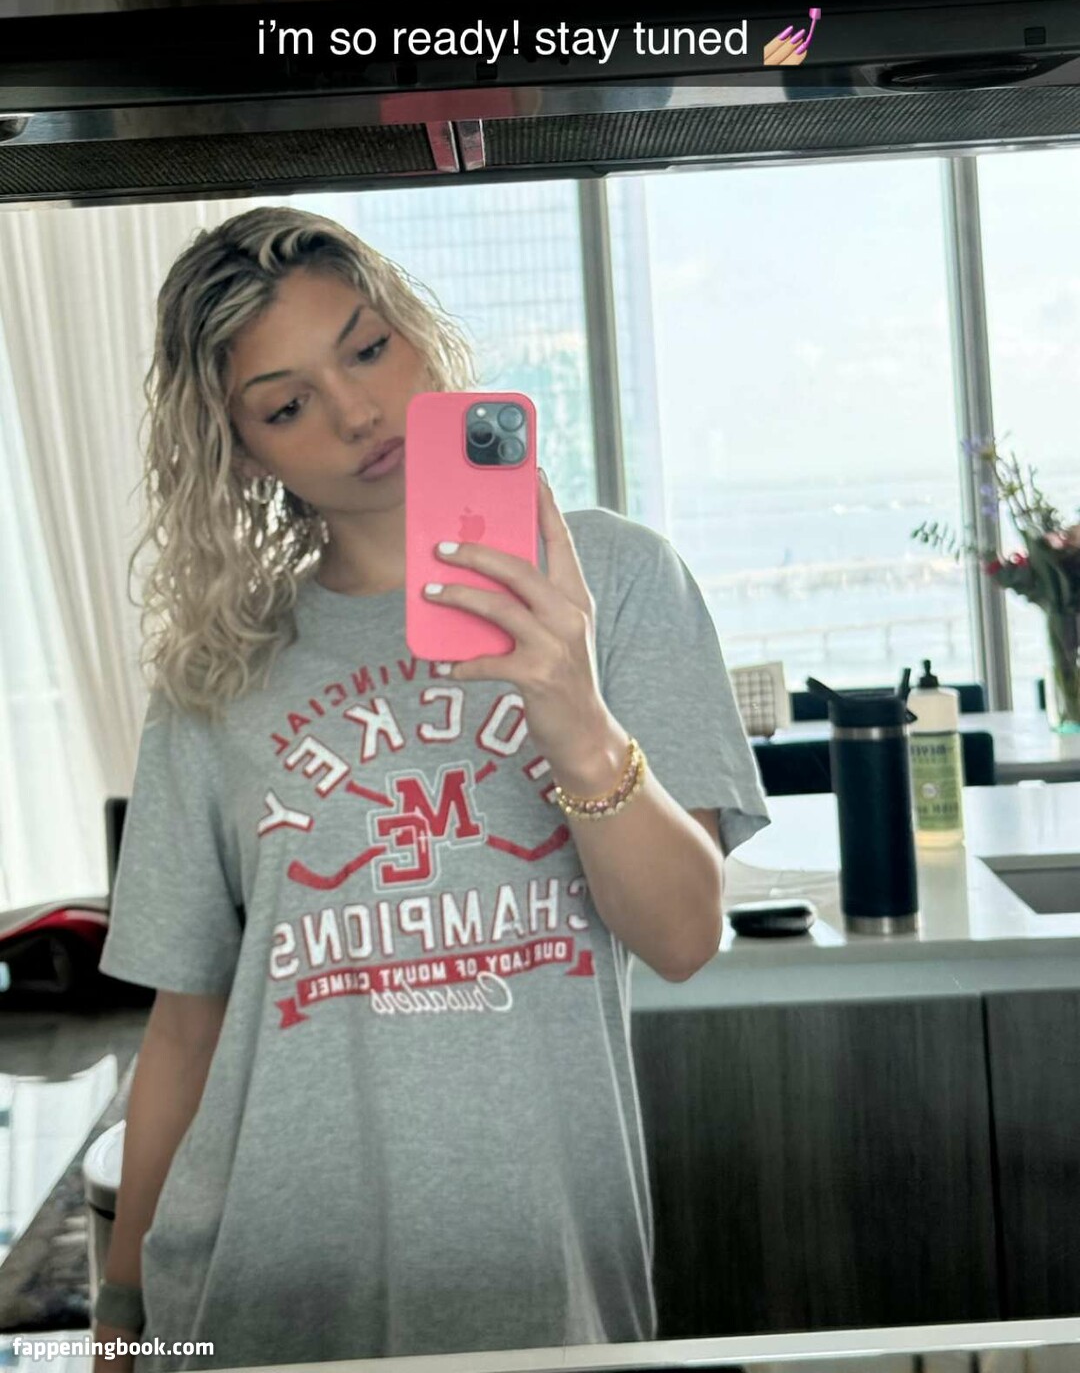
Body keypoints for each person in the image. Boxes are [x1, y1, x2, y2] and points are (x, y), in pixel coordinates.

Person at [95, 204, 768, 1369]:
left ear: (418, 335)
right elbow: (186, 1027)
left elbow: (683, 935)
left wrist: (572, 708)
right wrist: (118, 1313)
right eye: (287, 405)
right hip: (261, 1293)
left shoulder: (613, 581)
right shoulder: (219, 670)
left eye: (367, 349)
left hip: (543, 1280)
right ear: (242, 452)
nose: (356, 412)